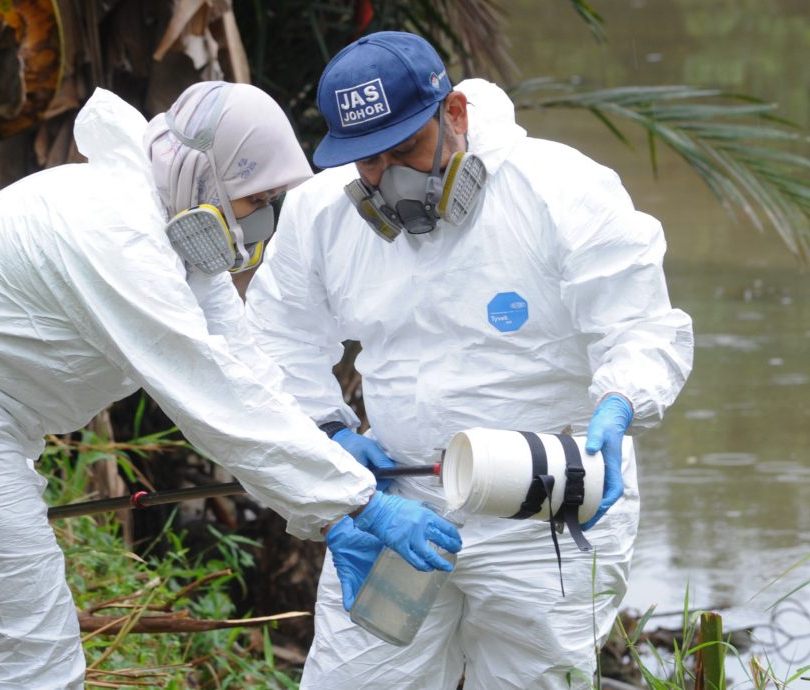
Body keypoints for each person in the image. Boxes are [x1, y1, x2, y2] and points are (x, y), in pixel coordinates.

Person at [0, 80, 461, 688]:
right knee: (28, 657)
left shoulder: (174, 238)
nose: (263, 220)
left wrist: (328, 491)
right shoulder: (115, 231)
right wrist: (359, 501)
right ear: (202, 177)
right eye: (256, 198)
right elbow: (211, 402)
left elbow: (246, 377)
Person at [244, 31, 694, 689]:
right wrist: (330, 432)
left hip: (542, 505)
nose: (385, 179)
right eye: (367, 161)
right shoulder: (321, 214)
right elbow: (275, 341)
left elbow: (639, 325)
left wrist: (622, 399)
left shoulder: (559, 189)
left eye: (405, 150)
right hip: (399, 507)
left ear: (452, 114)